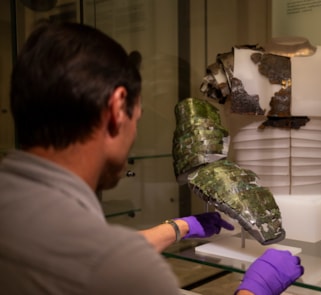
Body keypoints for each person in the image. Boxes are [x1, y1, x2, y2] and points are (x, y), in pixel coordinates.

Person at [0, 20, 304, 295]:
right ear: (118, 109)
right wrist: (254, 290)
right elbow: (102, 259)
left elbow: (74, 251)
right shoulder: (115, 265)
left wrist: (176, 228)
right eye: (138, 117)